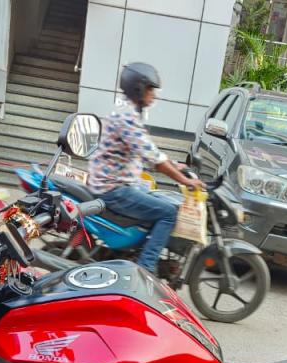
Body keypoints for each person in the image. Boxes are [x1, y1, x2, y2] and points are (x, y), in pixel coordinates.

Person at [87, 62, 203, 273]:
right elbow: (155, 160)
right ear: (139, 88)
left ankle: (135, 251)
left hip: (122, 183)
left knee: (163, 198)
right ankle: (146, 268)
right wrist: (185, 180)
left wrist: (175, 165)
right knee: (168, 212)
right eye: (151, 89)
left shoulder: (130, 113)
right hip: (114, 189)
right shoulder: (127, 117)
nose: (154, 95)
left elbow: (149, 151)